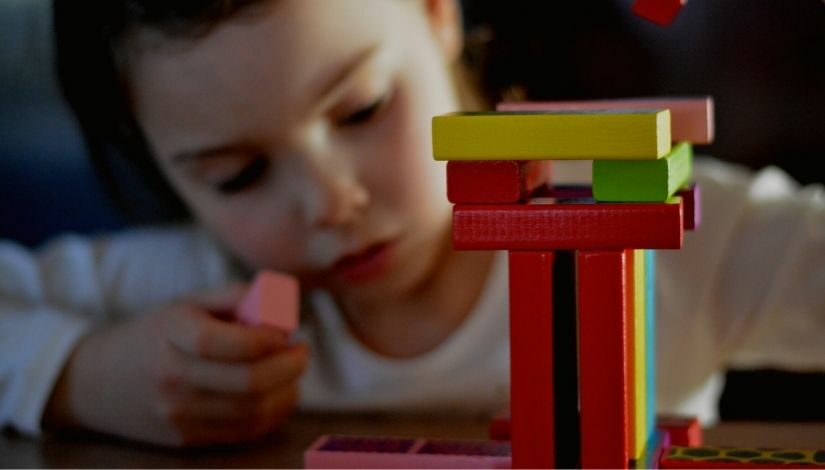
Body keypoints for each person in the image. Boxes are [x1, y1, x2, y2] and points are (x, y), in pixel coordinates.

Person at [1, 0, 823, 448]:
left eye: (361, 109)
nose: (329, 202)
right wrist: (83, 374)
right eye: (237, 174)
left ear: (437, 14)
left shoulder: (654, 227)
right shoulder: (194, 291)